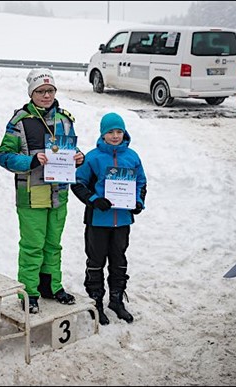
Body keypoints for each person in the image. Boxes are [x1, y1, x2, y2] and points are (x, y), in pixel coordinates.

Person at [0, 68, 84, 314]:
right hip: (31, 195)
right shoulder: (19, 121)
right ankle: (29, 292)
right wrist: (32, 161)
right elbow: (4, 156)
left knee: (53, 244)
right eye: (40, 91)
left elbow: (71, 149)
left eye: (50, 90)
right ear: (31, 93)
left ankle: (51, 286)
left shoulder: (65, 119)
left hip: (59, 195)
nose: (46, 95)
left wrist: (80, 157)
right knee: (32, 246)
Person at [71, 112, 147, 325]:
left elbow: (141, 183)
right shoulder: (93, 157)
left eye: (119, 131)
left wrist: (138, 203)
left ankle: (116, 299)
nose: (115, 136)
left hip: (122, 220)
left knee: (119, 260)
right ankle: (96, 302)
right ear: (102, 134)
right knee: (96, 261)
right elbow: (78, 183)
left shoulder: (132, 157)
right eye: (110, 132)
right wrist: (95, 200)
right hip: (98, 220)